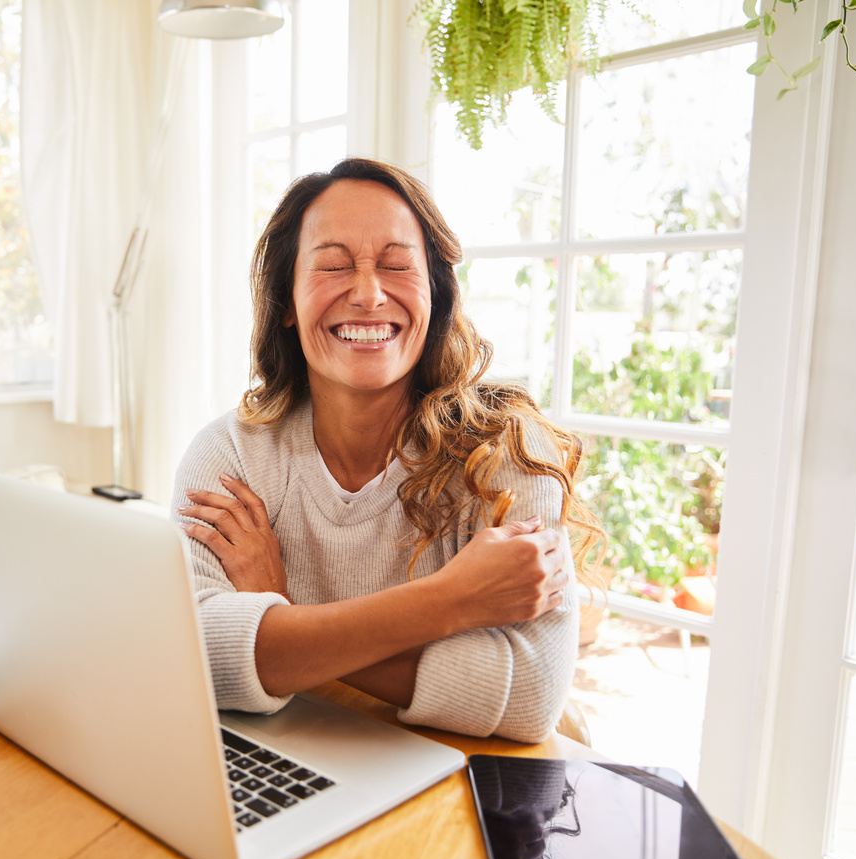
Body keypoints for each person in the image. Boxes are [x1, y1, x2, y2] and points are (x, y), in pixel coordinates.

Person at [172, 158, 603, 742]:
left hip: (458, 785)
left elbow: (529, 699)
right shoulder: (230, 455)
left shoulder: (504, 452)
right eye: (332, 265)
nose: (370, 294)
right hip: (298, 771)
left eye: (398, 266)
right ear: (286, 308)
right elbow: (196, 654)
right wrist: (454, 599)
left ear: (435, 298)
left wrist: (282, 611)